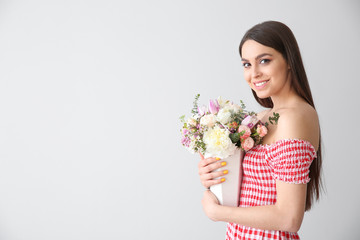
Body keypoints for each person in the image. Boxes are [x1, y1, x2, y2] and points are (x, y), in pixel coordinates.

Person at [198, 21, 322, 239]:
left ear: (289, 60)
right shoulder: (258, 118)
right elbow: (247, 189)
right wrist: (211, 174)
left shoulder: (294, 117)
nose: (254, 73)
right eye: (246, 64)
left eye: (264, 61)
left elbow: (289, 218)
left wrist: (218, 212)